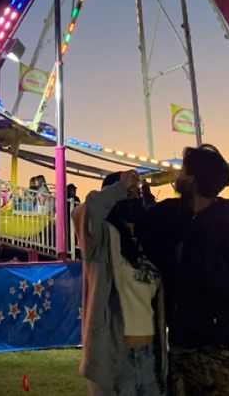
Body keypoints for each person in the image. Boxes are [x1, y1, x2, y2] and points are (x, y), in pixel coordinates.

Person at [138, 144, 229, 396]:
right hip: (181, 350)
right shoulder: (168, 215)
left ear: (192, 179)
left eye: (182, 169)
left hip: (219, 351)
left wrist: (203, 263)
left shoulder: (228, 222)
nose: (176, 175)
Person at [73, 169, 165, 395]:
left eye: (136, 192)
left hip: (150, 357)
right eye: (127, 192)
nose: (133, 195)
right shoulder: (102, 240)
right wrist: (119, 186)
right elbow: (85, 212)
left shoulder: (147, 243)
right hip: (116, 358)